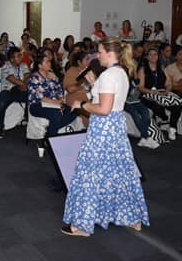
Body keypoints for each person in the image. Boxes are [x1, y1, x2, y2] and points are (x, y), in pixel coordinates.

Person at [63, 37, 149, 236]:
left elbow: (103, 108)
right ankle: (133, 218)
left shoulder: (109, 75)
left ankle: (81, 226)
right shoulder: (120, 73)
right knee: (121, 171)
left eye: (100, 52)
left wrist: (81, 105)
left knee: (90, 172)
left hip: (103, 129)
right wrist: (95, 84)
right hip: (116, 128)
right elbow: (110, 101)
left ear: (109, 53)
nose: (97, 55)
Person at [138, 47, 182, 141]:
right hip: (148, 94)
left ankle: (172, 128)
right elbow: (141, 87)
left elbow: (169, 84)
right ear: (147, 57)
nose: (153, 56)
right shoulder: (143, 69)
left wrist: (167, 90)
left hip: (162, 92)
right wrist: (153, 92)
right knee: (157, 106)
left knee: (177, 104)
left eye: (155, 54)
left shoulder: (162, 68)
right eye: (150, 54)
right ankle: (164, 118)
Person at [27, 51, 77, 136]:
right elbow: (41, 97)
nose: (49, 63)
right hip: (37, 106)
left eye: (49, 61)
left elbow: (59, 91)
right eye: (46, 62)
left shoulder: (52, 75)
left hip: (54, 104)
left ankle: (50, 132)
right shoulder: (34, 78)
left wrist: (61, 99)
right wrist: (57, 103)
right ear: (40, 65)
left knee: (74, 110)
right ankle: (51, 138)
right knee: (56, 113)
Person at [122, 55, 159, 150]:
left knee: (146, 112)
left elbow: (140, 89)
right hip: (125, 102)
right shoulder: (124, 76)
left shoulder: (138, 75)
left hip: (136, 101)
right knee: (135, 114)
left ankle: (144, 138)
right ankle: (146, 137)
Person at [0, 47, 30, 139]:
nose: (21, 57)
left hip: (21, 89)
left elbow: (27, 76)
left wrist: (24, 84)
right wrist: (24, 85)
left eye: (20, 55)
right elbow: (12, 79)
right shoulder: (6, 67)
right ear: (12, 59)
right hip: (8, 90)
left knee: (32, 97)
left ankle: (27, 118)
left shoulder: (24, 65)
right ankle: (0, 126)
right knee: (2, 104)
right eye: (18, 56)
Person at [63, 51, 92, 126]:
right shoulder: (73, 71)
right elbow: (70, 89)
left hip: (90, 101)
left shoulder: (92, 72)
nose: (90, 61)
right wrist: (84, 82)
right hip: (76, 102)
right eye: (87, 59)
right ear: (79, 62)